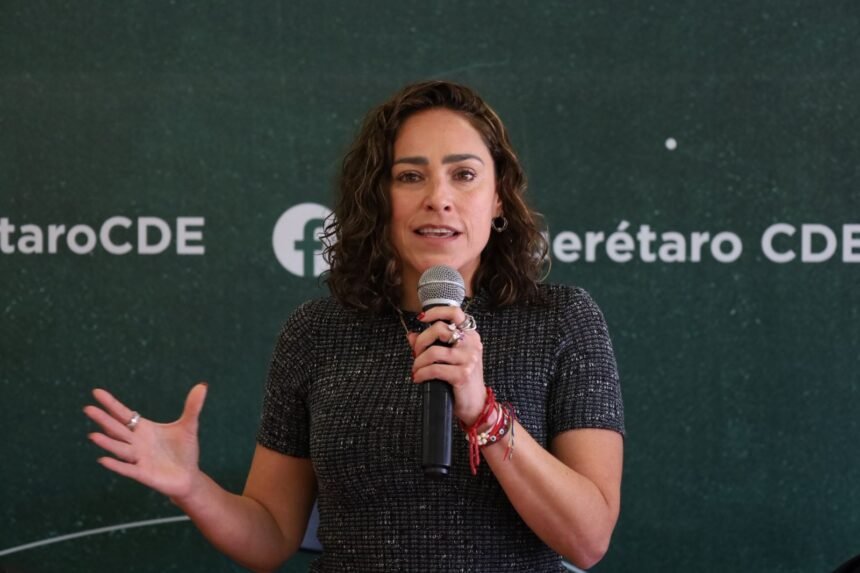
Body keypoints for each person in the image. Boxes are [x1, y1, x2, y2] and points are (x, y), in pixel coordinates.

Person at [83, 80, 625, 572]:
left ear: (499, 197)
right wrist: (192, 487)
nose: (438, 198)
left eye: (464, 175)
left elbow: (588, 540)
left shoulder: (561, 320)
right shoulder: (317, 331)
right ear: (379, 199)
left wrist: (483, 412)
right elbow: (270, 536)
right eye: (410, 176)